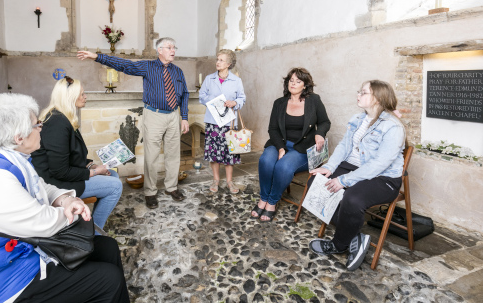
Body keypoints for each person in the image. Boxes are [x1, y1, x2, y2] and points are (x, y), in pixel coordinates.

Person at [0, 93, 130, 303]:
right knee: (109, 280)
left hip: (4, 261)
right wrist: (74, 211)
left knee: (107, 247)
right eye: (37, 124)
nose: (41, 128)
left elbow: (41, 185)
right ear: (19, 137)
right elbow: (44, 224)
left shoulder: (0, 160)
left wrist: (65, 199)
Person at [77, 37, 189, 209]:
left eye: (174, 47)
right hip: (154, 115)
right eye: (169, 47)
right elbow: (124, 65)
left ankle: (171, 187)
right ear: (159, 50)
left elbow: (185, 94)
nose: (173, 50)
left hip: (174, 116)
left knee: (173, 155)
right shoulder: (148, 66)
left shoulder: (178, 71)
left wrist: (185, 117)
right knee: (151, 157)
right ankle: (150, 192)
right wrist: (97, 57)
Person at [308, 80, 406, 271]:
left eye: (363, 92)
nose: (358, 95)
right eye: (359, 91)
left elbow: (379, 164)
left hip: (383, 177)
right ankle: (355, 236)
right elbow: (345, 146)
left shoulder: (393, 127)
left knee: (352, 199)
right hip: (351, 167)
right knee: (315, 182)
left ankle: (339, 244)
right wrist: (329, 167)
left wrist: (343, 180)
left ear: (377, 99)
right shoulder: (357, 119)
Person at [31, 76, 123, 230]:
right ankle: (93, 232)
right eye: (82, 94)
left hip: (62, 174)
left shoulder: (63, 117)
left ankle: (89, 220)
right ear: (70, 97)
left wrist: (92, 165)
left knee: (112, 175)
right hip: (55, 182)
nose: (85, 96)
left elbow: (72, 155)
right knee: (116, 186)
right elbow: (59, 171)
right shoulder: (57, 123)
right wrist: (93, 172)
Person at [252, 68, 330, 222]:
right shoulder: (279, 103)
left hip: (301, 148)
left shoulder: (314, 100)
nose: (293, 84)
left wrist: (320, 133)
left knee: (283, 166)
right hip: (279, 143)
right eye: (291, 80)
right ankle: (263, 198)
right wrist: (281, 148)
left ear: (305, 85)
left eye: (298, 81)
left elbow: (324, 122)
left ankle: (272, 202)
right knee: (266, 160)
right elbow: (273, 129)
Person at [199, 49, 246, 194]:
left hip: (229, 122)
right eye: (217, 59)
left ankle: (230, 181)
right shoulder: (209, 79)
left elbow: (242, 99)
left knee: (229, 153)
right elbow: (202, 96)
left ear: (229, 63)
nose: (217, 62)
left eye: (221, 60)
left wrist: (234, 103)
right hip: (213, 121)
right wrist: (215, 102)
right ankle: (216, 180)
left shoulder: (236, 81)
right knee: (214, 152)